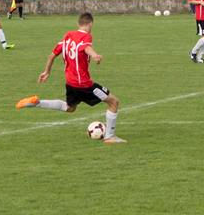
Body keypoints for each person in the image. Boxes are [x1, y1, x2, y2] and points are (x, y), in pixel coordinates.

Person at [15, 12, 125, 143]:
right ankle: (110, 137)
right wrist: (94, 55)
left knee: (70, 108)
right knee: (114, 102)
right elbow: (86, 48)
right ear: (90, 24)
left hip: (70, 82)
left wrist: (47, 71)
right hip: (84, 84)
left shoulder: (68, 36)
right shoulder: (86, 36)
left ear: (78, 23)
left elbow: (52, 55)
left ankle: (37, 103)